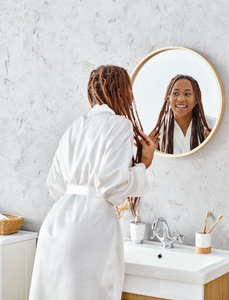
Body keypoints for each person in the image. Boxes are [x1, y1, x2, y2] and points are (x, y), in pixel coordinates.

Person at [29, 65, 159, 300]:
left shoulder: (75, 126)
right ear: (124, 93)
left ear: (91, 94)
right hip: (90, 227)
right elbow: (111, 186)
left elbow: (54, 184)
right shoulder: (119, 124)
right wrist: (143, 165)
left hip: (55, 226)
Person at [152, 74, 215, 154]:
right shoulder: (159, 134)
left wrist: (213, 146)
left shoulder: (212, 126)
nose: (181, 99)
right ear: (168, 99)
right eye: (175, 93)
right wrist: (151, 152)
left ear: (196, 100)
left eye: (187, 94)